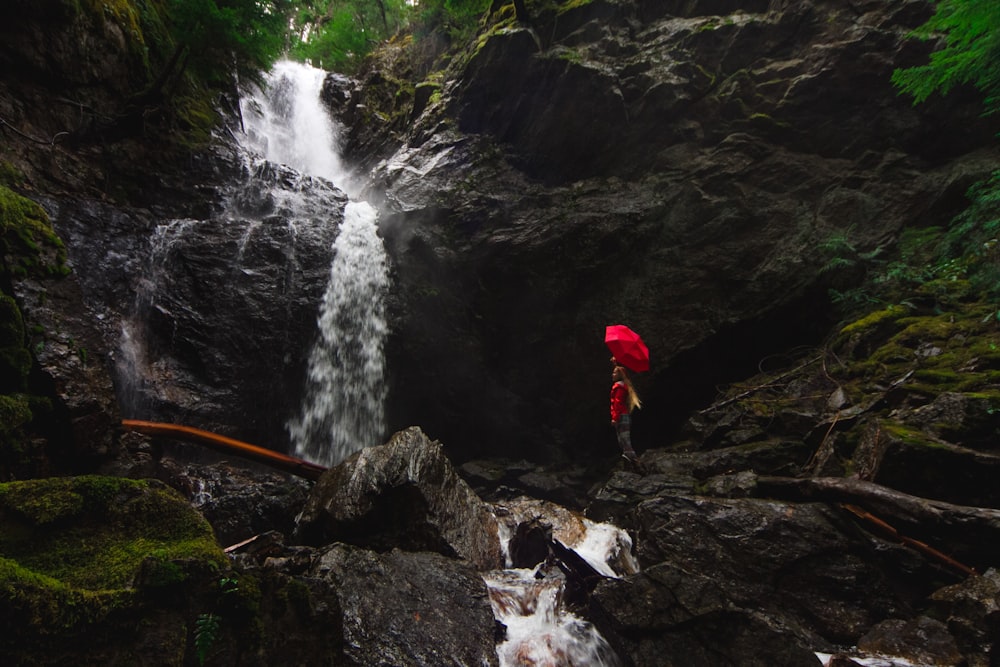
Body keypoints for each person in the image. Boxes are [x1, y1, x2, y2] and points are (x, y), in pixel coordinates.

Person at [610, 362, 641, 463]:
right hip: (623, 415)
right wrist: (614, 363)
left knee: (624, 439)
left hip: (621, 416)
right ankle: (630, 457)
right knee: (622, 439)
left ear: (619, 375)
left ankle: (632, 458)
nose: (612, 374)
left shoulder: (619, 387)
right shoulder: (623, 386)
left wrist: (615, 418)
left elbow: (617, 404)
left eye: (614, 373)